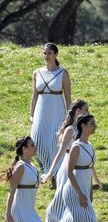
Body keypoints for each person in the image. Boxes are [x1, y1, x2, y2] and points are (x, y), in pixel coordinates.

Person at [49, 115, 108, 222]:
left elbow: (89, 169)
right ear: (83, 126)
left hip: (84, 189)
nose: (95, 126)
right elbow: (70, 172)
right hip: (73, 191)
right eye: (92, 124)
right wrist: (80, 193)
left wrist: (92, 186)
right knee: (84, 221)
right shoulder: (76, 146)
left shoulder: (89, 145)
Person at [43, 99, 102, 222]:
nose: (88, 112)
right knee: (63, 197)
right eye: (85, 109)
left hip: (81, 167)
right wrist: (50, 172)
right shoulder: (70, 130)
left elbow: (88, 158)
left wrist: (96, 178)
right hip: (68, 166)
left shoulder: (84, 129)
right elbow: (61, 152)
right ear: (78, 111)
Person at [0, 137, 48, 222]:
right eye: (32, 145)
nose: (35, 147)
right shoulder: (20, 166)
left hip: (29, 209)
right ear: (24, 149)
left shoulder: (31, 165)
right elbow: (11, 191)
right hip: (19, 210)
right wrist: (8, 214)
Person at [30, 42, 71, 174]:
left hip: (57, 110)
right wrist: (31, 114)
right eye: (44, 53)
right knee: (37, 138)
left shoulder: (63, 73)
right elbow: (34, 96)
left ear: (55, 54)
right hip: (40, 111)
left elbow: (68, 97)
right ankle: (44, 167)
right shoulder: (37, 73)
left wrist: (70, 116)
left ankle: (55, 172)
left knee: (55, 140)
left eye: (49, 53)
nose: (46, 56)